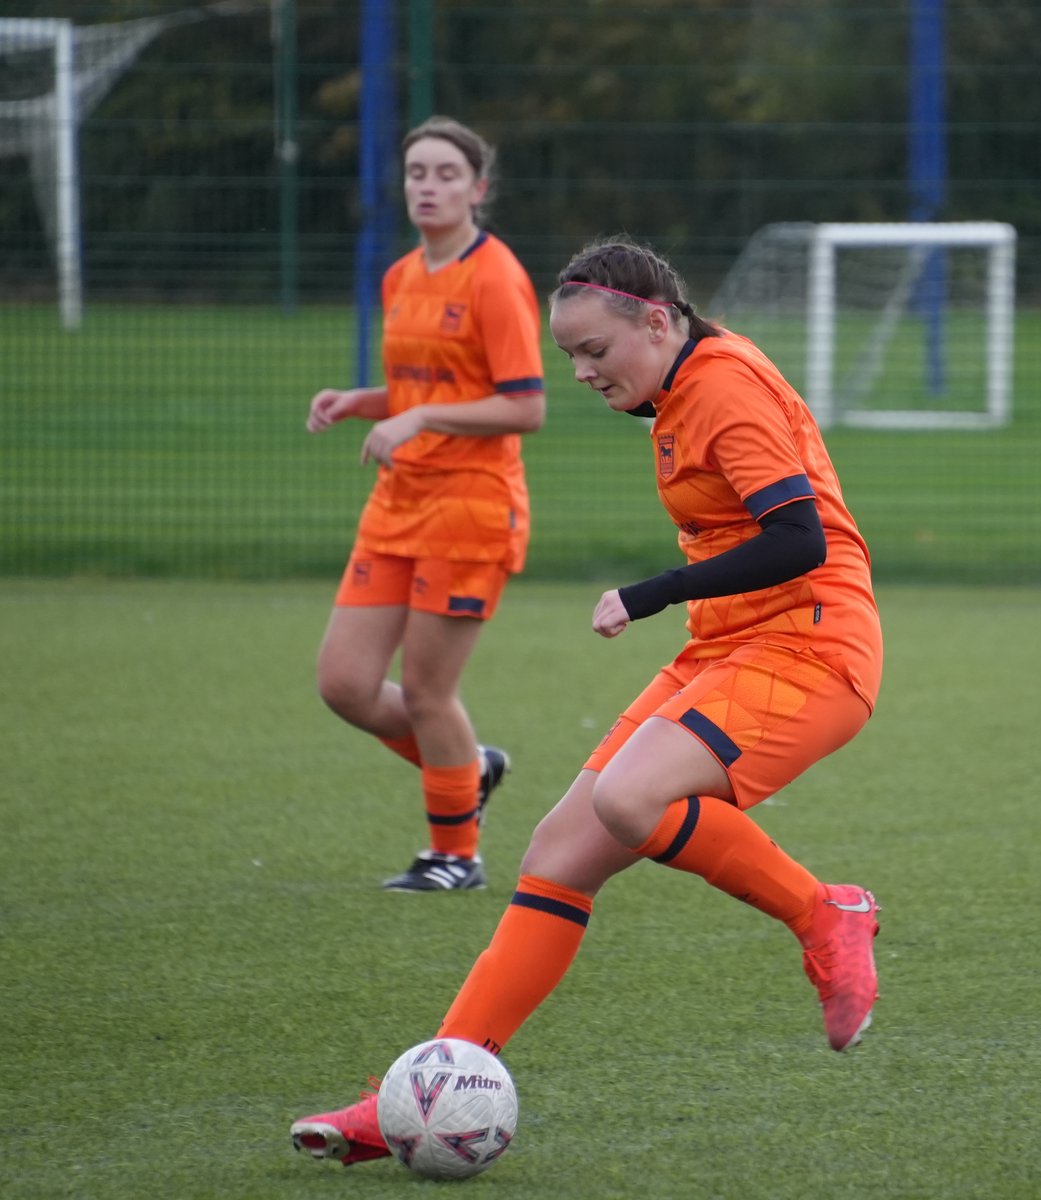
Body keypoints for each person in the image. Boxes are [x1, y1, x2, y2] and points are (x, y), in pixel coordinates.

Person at [290, 237, 884, 1165]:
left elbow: (800, 539)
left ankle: (824, 912)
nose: (579, 372)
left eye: (594, 351)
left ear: (658, 321)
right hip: (732, 643)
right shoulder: (680, 392)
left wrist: (645, 594)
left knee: (628, 799)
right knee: (560, 853)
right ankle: (424, 1090)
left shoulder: (723, 384)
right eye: (570, 355)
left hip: (811, 643)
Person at [306, 116, 545, 892]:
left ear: (478, 189)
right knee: (344, 682)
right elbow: (423, 390)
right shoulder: (401, 275)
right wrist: (363, 402)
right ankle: (466, 766)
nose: (429, 186)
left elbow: (524, 406)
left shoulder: (496, 276)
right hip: (398, 504)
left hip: (470, 510)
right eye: (417, 173)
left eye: (446, 173)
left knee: (425, 692)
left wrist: (417, 417)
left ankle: (457, 855)